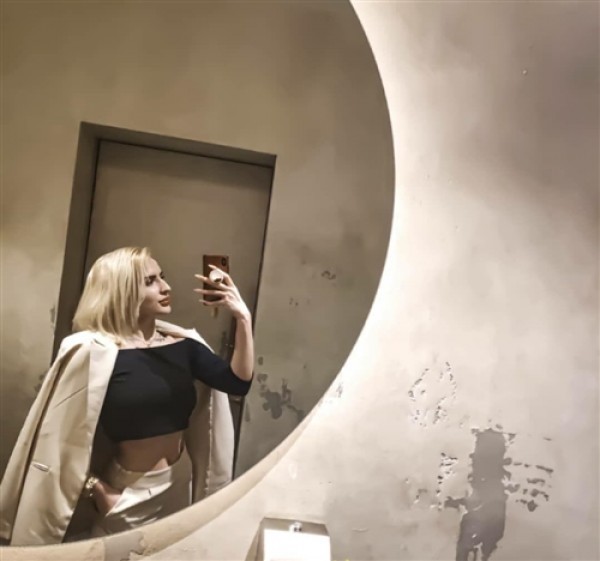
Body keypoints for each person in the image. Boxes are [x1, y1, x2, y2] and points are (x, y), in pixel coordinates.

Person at [0, 246, 254, 545]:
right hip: (127, 493)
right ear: (122, 291)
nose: (166, 287)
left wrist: (243, 318)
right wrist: (96, 489)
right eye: (150, 281)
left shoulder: (184, 346)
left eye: (162, 276)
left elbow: (237, 383)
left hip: (179, 484)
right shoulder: (91, 352)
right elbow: (58, 439)